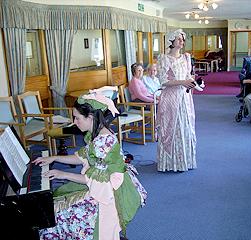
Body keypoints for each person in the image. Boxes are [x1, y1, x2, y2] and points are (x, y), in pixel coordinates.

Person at [33, 87, 146, 240]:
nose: (74, 122)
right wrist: (54, 158)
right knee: (56, 203)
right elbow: (82, 157)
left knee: (56, 218)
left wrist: (63, 174)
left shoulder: (103, 142)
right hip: (101, 186)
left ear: (91, 117)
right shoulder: (98, 133)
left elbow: (93, 180)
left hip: (107, 195)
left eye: (77, 118)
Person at [156, 28, 197, 172]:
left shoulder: (186, 57)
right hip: (171, 97)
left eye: (182, 39)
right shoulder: (164, 58)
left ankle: (184, 162)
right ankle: (170, 163)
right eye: (179, 39)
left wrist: (194, 82)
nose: (182, 41)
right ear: (171, 41)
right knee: (171, 128)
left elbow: (188, 76)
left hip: (185, 97)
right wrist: (182, 82)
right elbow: (163, 81)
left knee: (185, 127)